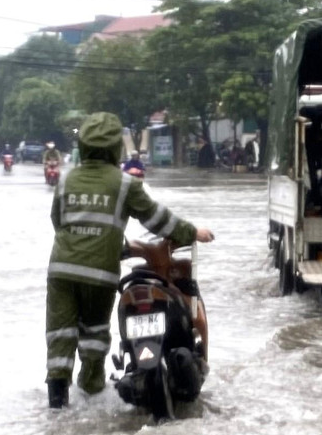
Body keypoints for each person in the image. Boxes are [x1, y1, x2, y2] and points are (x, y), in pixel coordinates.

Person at [45, 112, 215, 409]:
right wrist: (192, 232)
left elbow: (58, 221)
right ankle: (91, 395)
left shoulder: (66, 180)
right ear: (115, 147)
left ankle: (57, 404)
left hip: (60, 270)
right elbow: (157, 219)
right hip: (99, 274)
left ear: (83, 145)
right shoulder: (124, 184)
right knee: (94, 338)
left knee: (59, 336)